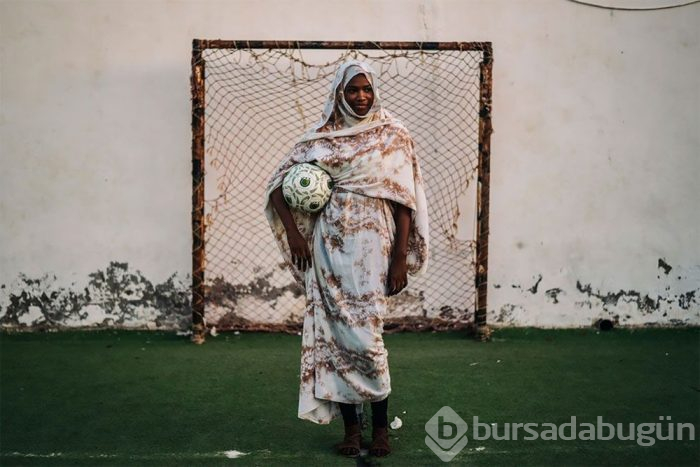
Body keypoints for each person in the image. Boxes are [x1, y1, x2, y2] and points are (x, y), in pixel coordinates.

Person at [263, 60, 429, 458]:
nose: (360, 97)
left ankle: (381, 429)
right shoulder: (321, 138)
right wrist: (294, 234)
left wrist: (400, 257)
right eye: (352, 90)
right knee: (335, 339)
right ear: (340, 92)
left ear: (374, 91)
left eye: (366, 89)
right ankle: (352, 431)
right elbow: (276, 187)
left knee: (367, 337)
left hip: (374, 246)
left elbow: (403, 200)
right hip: (328, 247)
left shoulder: (391, 134)